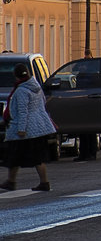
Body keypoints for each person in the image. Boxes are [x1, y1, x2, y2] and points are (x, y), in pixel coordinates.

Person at [1, 63, 57, 192]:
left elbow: (22, 111)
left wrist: (21, 129)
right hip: (39, 127)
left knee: (16, 156)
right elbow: (42, 104)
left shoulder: (21, 90)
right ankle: (41, 182)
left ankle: (14, 181)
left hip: (26, 129)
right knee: (35, 157)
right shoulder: (36, 87)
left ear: (16, 76)